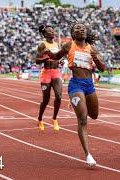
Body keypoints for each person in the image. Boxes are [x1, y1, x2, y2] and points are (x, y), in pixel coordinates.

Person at [43, 23, 105, 166]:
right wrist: (46, 53)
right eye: (77, 28)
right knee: (82, 119)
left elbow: (102, 68)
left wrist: (96, 58)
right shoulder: (68, 46)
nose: (81, 29)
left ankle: (78, 103)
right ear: (73, 34)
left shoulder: (91, 49)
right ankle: (88, 154)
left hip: (89, 85)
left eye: (83, 28)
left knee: (94, 115)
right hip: (76, 85)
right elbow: (55, 56)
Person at [35, 25, 62, 131]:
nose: (52, 32)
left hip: (56, 72)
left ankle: (54, 119)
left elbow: (57, 57)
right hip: (46, 73)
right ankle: (40, 119)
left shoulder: (56, 44)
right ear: (45, 34)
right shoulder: (42, 45)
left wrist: (60, 61)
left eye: (53, 30)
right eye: (50, 31)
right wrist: (44, 58)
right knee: (46, 100)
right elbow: (37, 60)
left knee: (59, 96)